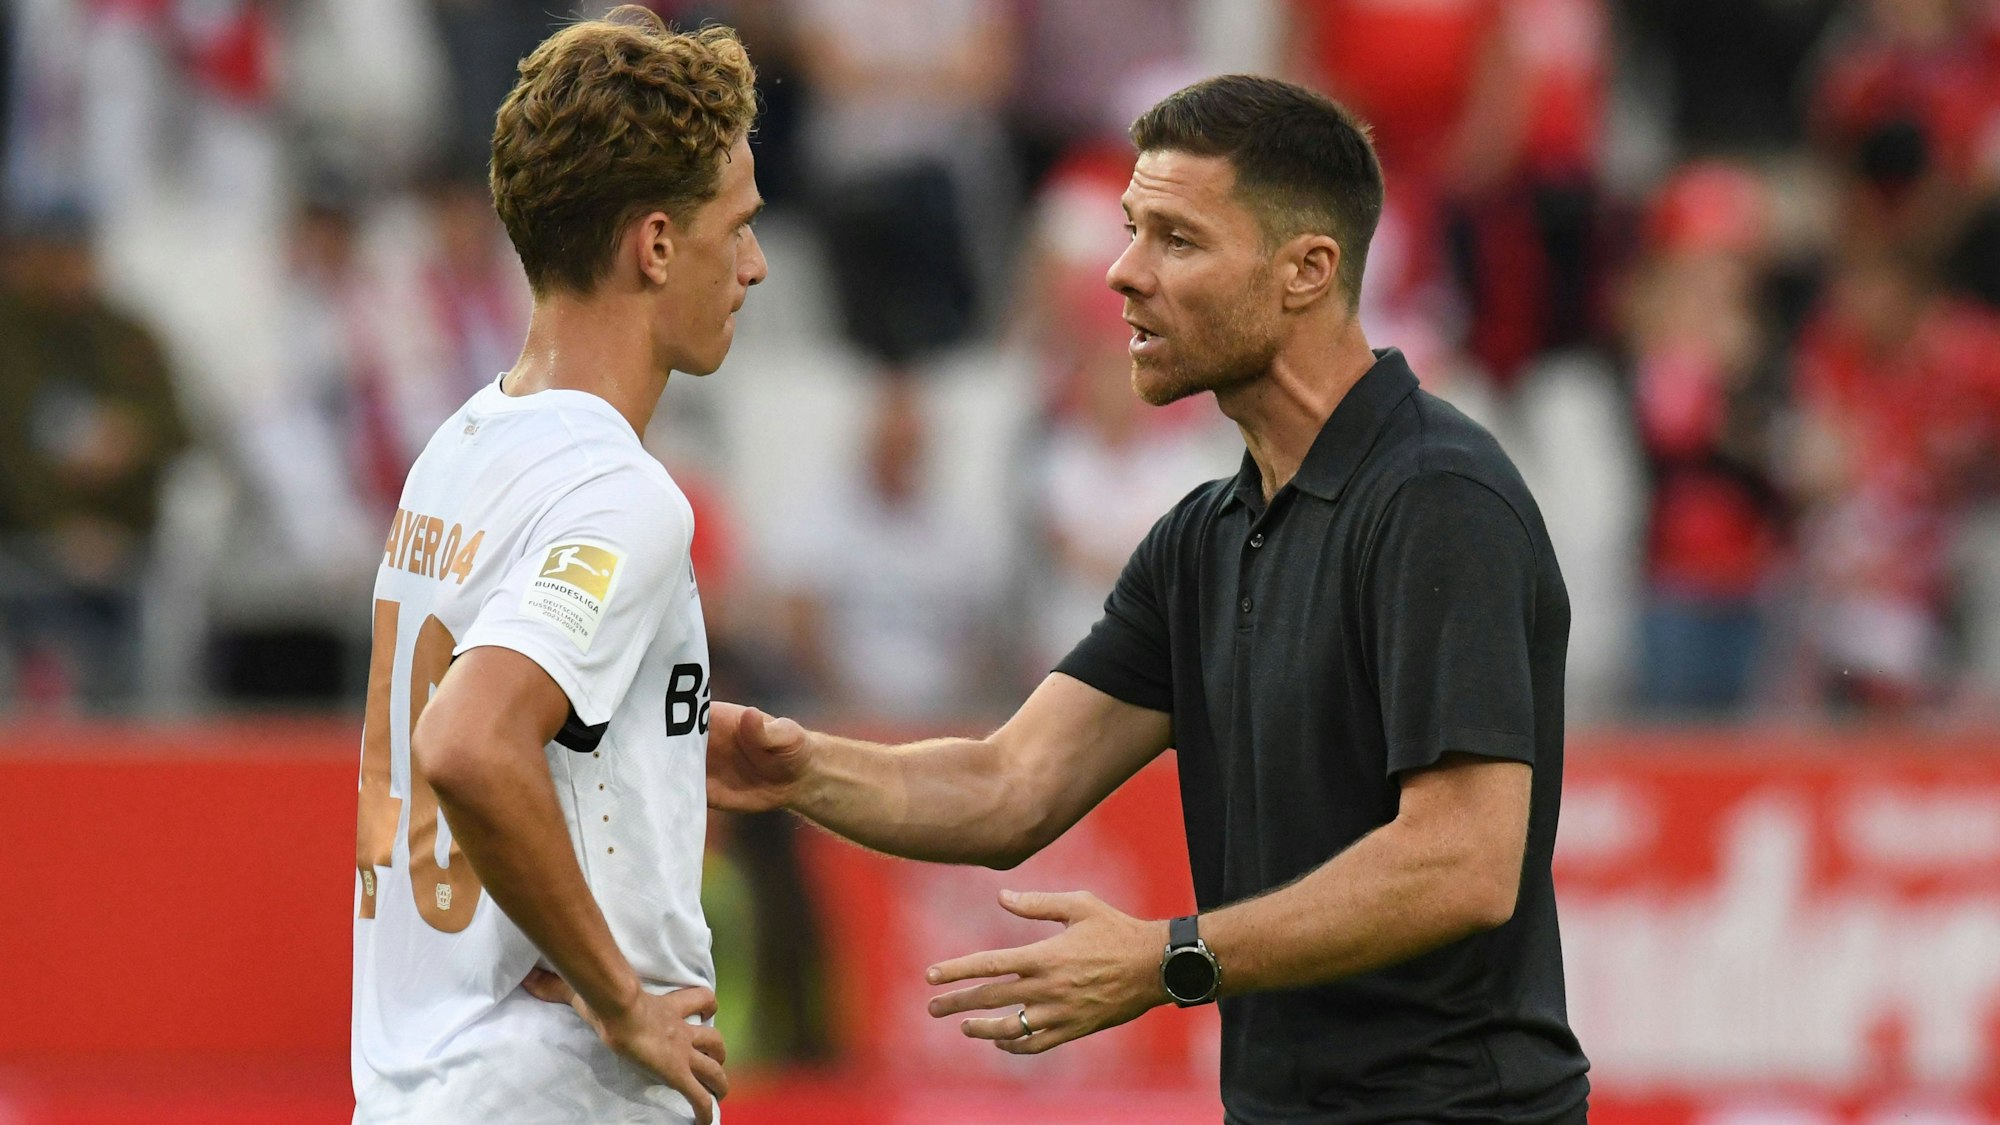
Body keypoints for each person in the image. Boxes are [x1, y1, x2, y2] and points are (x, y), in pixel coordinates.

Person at [710, 75, 1590, 1122]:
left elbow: (1460, 862)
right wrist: (801, 769)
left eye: (1174, 239)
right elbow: (1007, 785)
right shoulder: (1201, 541)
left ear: (1305, 271)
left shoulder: (1436, 497)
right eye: (1130, 231)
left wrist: (1169, 958)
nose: (1122, 275)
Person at [350, 9, 764, 1124]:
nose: (757, 264)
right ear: (657, 243)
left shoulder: (460, 447)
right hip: (546, 1091)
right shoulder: (620, 495)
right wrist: (621, 997)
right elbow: (473, 741)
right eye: (738, 226)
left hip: (414, 1082)